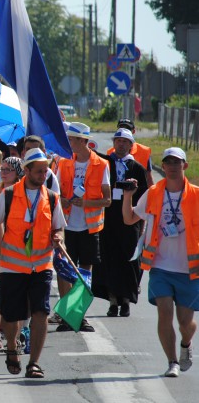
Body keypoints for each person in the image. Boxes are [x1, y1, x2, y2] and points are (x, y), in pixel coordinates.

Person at [0, 148, 65, 379]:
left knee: (40, 312)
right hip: (12, 267)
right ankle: (11, 346)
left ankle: (34, 363)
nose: (43, 174)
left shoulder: (51, 197)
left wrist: (58, 236)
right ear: (27, 170)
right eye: (39, 171)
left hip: (41, 265)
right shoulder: (8, 195)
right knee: (11, 316)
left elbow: (58, 226)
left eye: (45, 170)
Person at [122, 147, 198, 378]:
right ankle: (172, 361)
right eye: (168, 162)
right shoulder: (154, 192)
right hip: (160, 266)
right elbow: (129, 219)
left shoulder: (196, 194)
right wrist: (127, 196)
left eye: (177, 162)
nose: (172, 166)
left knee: (186, 322)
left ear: (184, 166)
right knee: (164, 313)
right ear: (162, 166)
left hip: (189, 269)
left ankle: (186, 344)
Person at [56, 123, 111, 332]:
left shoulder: (101, 164)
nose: (69, 143)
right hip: (67, 226)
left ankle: (77, 314)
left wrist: (86, 203)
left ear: (83, 141)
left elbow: (107, 200)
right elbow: (56, 196)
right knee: (64, 270)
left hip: (89, 228)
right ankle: (67, 315)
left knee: (84, 273)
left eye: (72, 140)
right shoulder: (63, 164)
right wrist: (65, 201)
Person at [93, 128, 148, 317]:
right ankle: (112, 300)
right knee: (108, 259)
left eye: (125, 141)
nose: (121, 144)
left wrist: (141, 224)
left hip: (129, 222)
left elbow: (144, 198)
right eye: (118, 141)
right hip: (107, 220)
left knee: (129, 260)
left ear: (131, 146)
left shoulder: (137, 168)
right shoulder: (105, 163)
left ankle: (126, 300)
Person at [106, 118, 154, 187]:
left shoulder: (144, 151)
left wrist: (151, 195)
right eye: (121, 128)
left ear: (133, 131)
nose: (124, 131)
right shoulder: (110, 152)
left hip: (137, 192)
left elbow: (149, 178)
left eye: (128, 129)